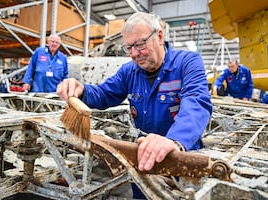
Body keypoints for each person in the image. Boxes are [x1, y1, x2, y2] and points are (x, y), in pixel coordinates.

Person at [57, 12, 212, 197]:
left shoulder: (187, 63)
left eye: (139, 45)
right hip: (144, 157)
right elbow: (104, 94)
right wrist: (81, 89)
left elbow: (196, 101)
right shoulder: (129, 71)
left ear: (159, 36)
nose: (134, 54)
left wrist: (175, 140)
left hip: (181, 157)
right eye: (129, 47)